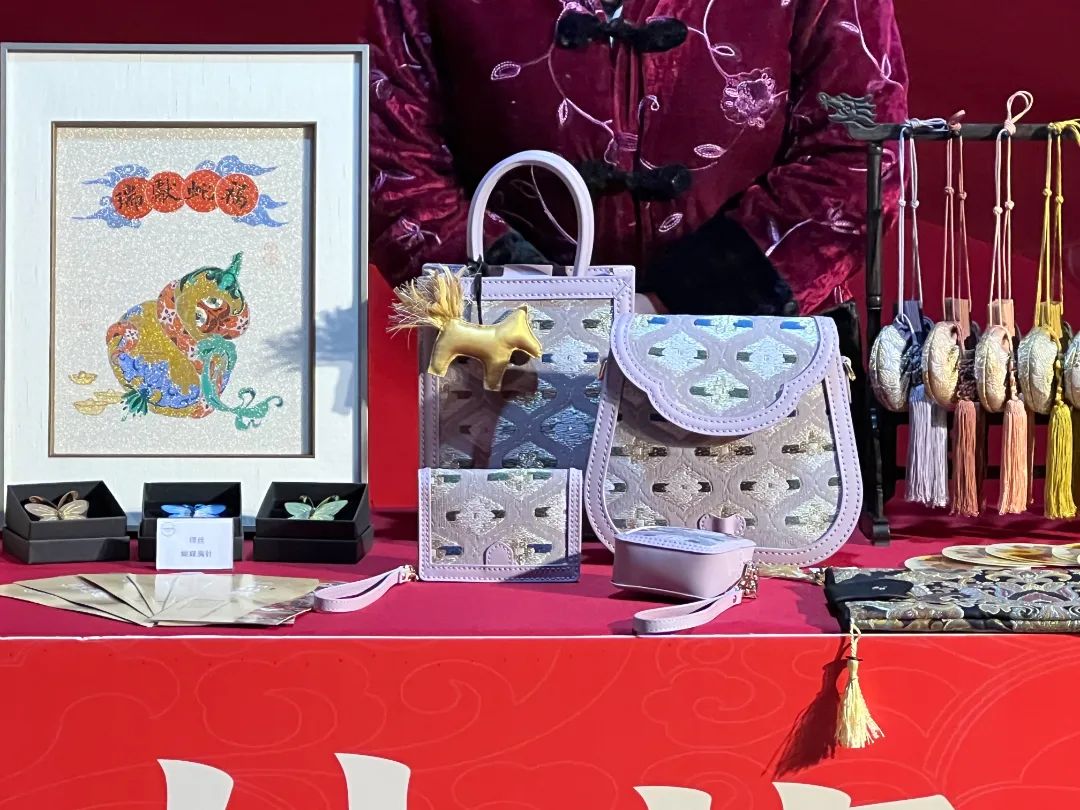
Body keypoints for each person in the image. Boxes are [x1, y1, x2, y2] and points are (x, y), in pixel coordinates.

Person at [368, 0, 908, 318]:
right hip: (512, 368)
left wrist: (678, 301)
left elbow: (858, 156)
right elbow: (391, 165)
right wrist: (544, 309)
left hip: (754, 364)